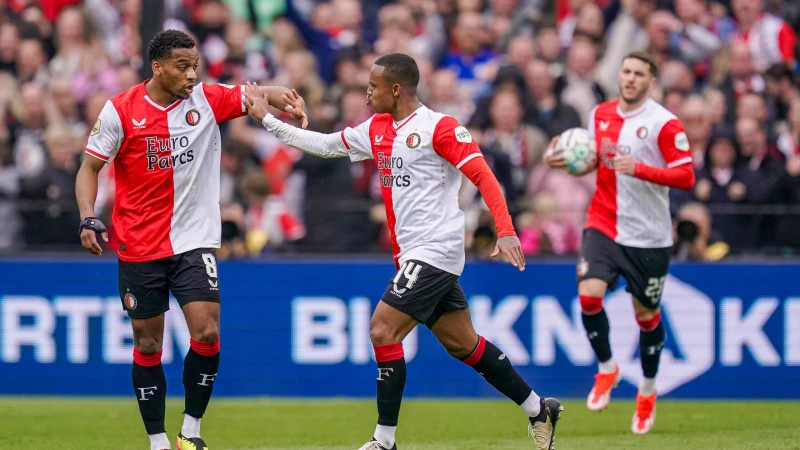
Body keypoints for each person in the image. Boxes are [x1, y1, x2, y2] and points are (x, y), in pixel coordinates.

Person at [242, 53, 563, 450]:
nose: (367, 92)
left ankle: (384, 441)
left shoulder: (439, 127)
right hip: (411, 254)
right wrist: (268, 120)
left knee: (381, 328)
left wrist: (506, 229)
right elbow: (325, 146)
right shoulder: (376, 128)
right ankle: (538, 408)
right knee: (464, 344)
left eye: (373, 86)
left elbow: (483, 175)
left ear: (396, 89)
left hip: (437, 249)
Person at [74, 29, 306, 450]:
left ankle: (191, 432)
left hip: (194, 242)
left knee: (207, 332)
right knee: (148, 342)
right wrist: (89, 218)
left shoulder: (207, 98)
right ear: (158, 67)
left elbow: (253, 92)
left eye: (195, 65)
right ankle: (157, 440)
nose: (191, 75)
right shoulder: (120, 111)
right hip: (139, 246)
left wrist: (286, 96)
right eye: (182, 67)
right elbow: (88, 168)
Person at [544, 51, 695, 435]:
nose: (629, 78)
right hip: (604, 223)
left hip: (649, 237)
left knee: (646, 316)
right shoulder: (600, 114)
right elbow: (595, 158)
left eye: (638, 74)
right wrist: (563, 158)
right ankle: (607, 368)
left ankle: (646, 390)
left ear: (650, 81)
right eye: (626, 71)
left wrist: (638, 168)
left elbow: (686, 176)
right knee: (589, 295)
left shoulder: (664, 123)